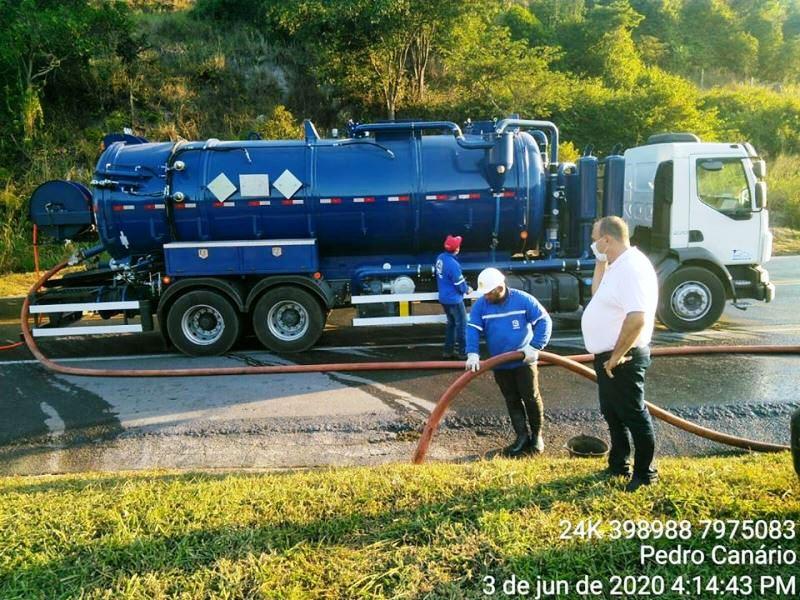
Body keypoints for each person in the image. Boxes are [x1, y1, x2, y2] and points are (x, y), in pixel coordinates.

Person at [581, 216, 659, 492]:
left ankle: (645, 474)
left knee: (633, 415)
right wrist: (600, 261)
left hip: (624, 357)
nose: (592, 243)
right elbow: (596, 292)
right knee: (612, 413)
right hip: (609, 358)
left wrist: (616, 356)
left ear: (607, 239)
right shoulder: (615, 265)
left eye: (594, 238)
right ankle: (619, 464)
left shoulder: (633, 268)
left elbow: (637, 317)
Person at [465, 267, 552, 457]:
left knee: (531, 397)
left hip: (524, 361)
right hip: (500, 363)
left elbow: (544, 321)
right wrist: (472, 353)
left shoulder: (523, 300)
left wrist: (535, 346)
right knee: (511, 399)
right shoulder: (481, 305)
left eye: (489, 293)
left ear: (499, 287)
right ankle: (521, 437)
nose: (486, 297)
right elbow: (472, 329)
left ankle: (537, 436)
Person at [436, 235, 470, 359]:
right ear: (457, 249)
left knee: (451, 324)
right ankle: (463, 352)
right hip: (454, 299)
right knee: (462, 325)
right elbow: (460, 285)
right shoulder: (453, 264)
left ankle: (448, 351)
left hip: (444, 298)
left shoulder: (440, 258)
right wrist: (467, 289)